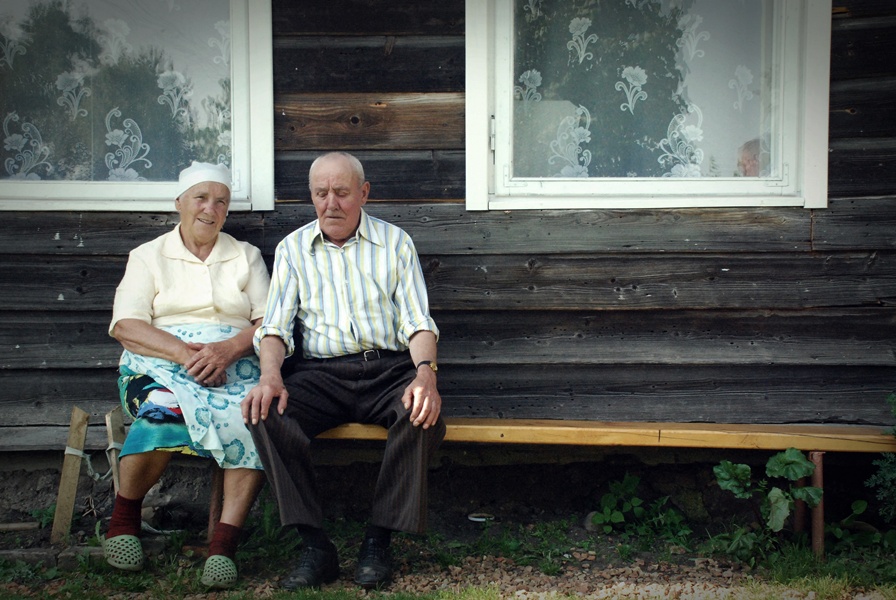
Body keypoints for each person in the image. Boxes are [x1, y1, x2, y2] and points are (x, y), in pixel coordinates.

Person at [242, 151, 445, 590]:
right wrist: (270, 376)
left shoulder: (395, 243)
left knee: (420, 414)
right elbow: (274, 328)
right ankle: (315, 546)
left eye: (341, 192)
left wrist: (425, 373)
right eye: (321, 193)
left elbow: (417, 321)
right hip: (322, 374)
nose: (330, 203)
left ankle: (378, 540)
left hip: (387, 369)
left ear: (364, 193)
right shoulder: (294, 248)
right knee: (266, 413)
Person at [103, 161, 270, 589]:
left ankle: (223, 546)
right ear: (179, 202)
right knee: (163, 410)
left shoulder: (245, 255)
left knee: (253, 416)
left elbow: (268, 322)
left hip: (234, 363)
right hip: (160, 363)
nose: (210, 209)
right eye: (201, 198)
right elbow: (126, 325)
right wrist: (185, 355)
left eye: (221, 201)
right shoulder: (148, 256)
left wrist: (227, 350)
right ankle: (123, 520)